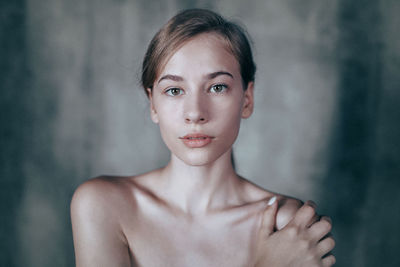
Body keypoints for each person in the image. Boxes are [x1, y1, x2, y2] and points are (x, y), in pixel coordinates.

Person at [70, 8, 335, 267]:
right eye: (174, 90)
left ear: (247, 99)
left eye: (217, 87)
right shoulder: (103, 205)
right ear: (153, 104)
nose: (195, 113)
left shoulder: (288, 224)